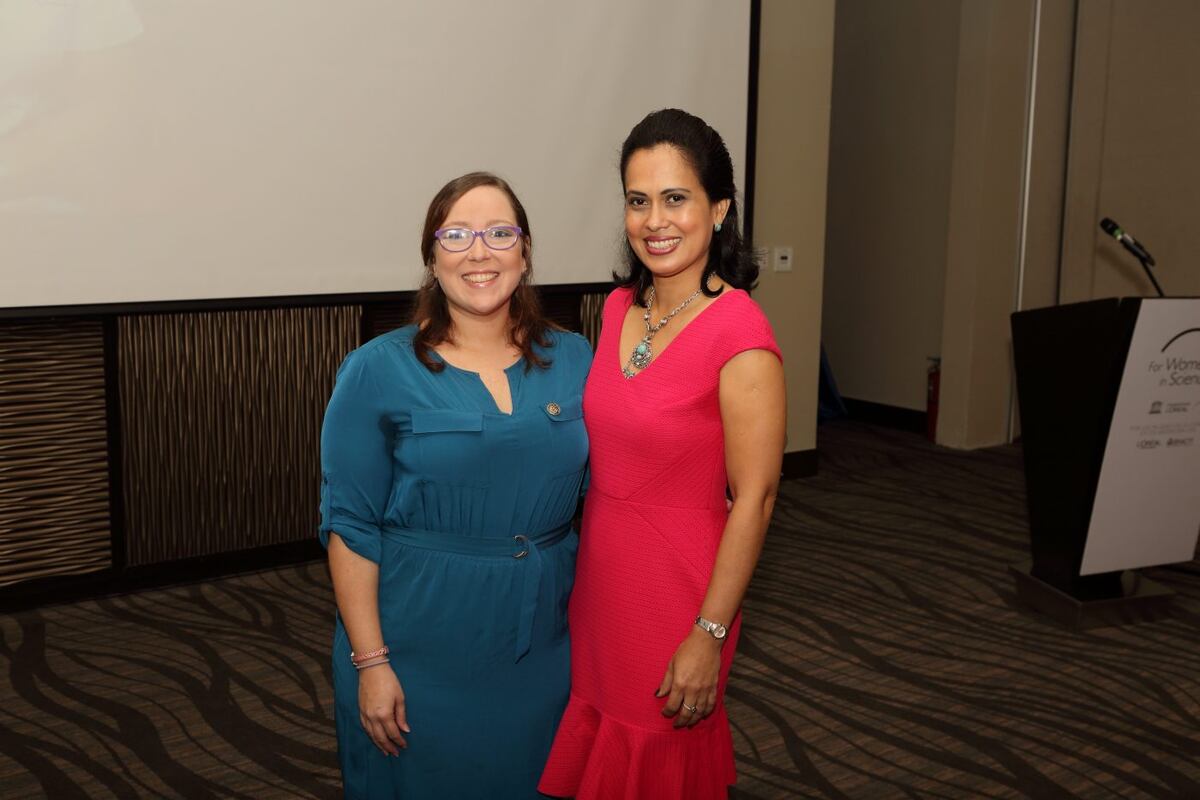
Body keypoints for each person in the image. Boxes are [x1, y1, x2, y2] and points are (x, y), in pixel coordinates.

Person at [319, 172, 591, 799]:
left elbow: (611, 492)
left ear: (524, 254)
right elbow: (351, 527)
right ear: (431, 256)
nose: (479, 252)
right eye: (457, 234)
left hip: (543, 643)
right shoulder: (375, 371)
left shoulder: (575, 358)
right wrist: (372, 663)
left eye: (500, 233)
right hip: (416, 643)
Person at [539, 109, 786, 799]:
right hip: (603, 582)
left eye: (676, 198)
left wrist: (709, 633)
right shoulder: (619, 307)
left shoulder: (741, 333)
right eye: (638, 200)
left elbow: (757, 499)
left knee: (655, 758)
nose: (655, 220)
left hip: (681, 592)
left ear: (719, 208)